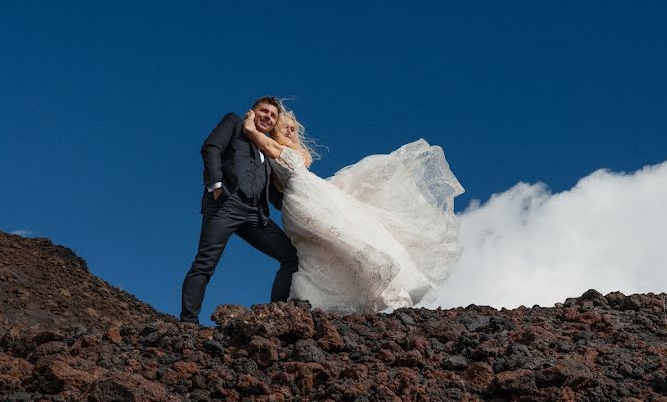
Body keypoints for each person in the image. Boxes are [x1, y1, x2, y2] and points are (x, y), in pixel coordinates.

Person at [242, 109, 464, 314]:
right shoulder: (272, 146)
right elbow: (250, 131)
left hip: (316, 194)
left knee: (346, 237)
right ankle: (306, 298)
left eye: (293, 127)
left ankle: (312, 299)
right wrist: (251, 116)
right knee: (335, 241)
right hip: (302, 199)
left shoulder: (289, 151)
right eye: (285, 126)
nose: (290, 130)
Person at [180, 97, 298, 324]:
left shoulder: (265, 146)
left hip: (256, 215)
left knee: (291, 256)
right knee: (205, 263)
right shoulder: (234, 122)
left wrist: (299, 207)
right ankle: (188, 322)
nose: (268, 117)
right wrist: (216, 185)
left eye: (273, 116)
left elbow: (271, 191)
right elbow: (211, 147)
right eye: (264, 111)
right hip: (226, 204)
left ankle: (275, 317)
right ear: (252, 112)